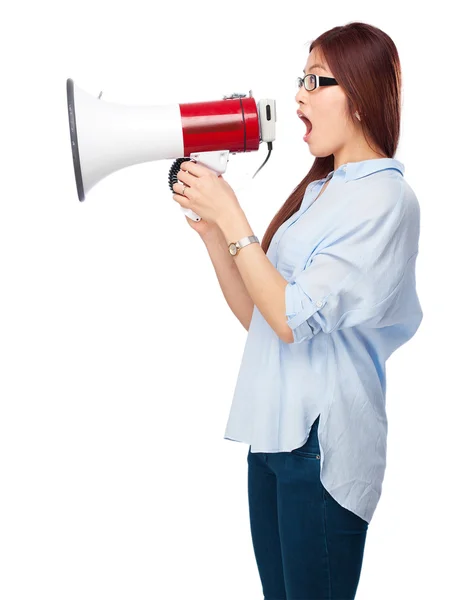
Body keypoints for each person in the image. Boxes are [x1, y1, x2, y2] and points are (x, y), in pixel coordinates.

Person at [178, 21, 423, 600]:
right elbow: (262, 319)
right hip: (275, 434)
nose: (298, 95)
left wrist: (235, 216)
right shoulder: (320, 191)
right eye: (301, 79)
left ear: (360, 96)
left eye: (317, 80)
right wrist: (216, 233)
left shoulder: (386, 198)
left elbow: (292, 318)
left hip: (322, 445)